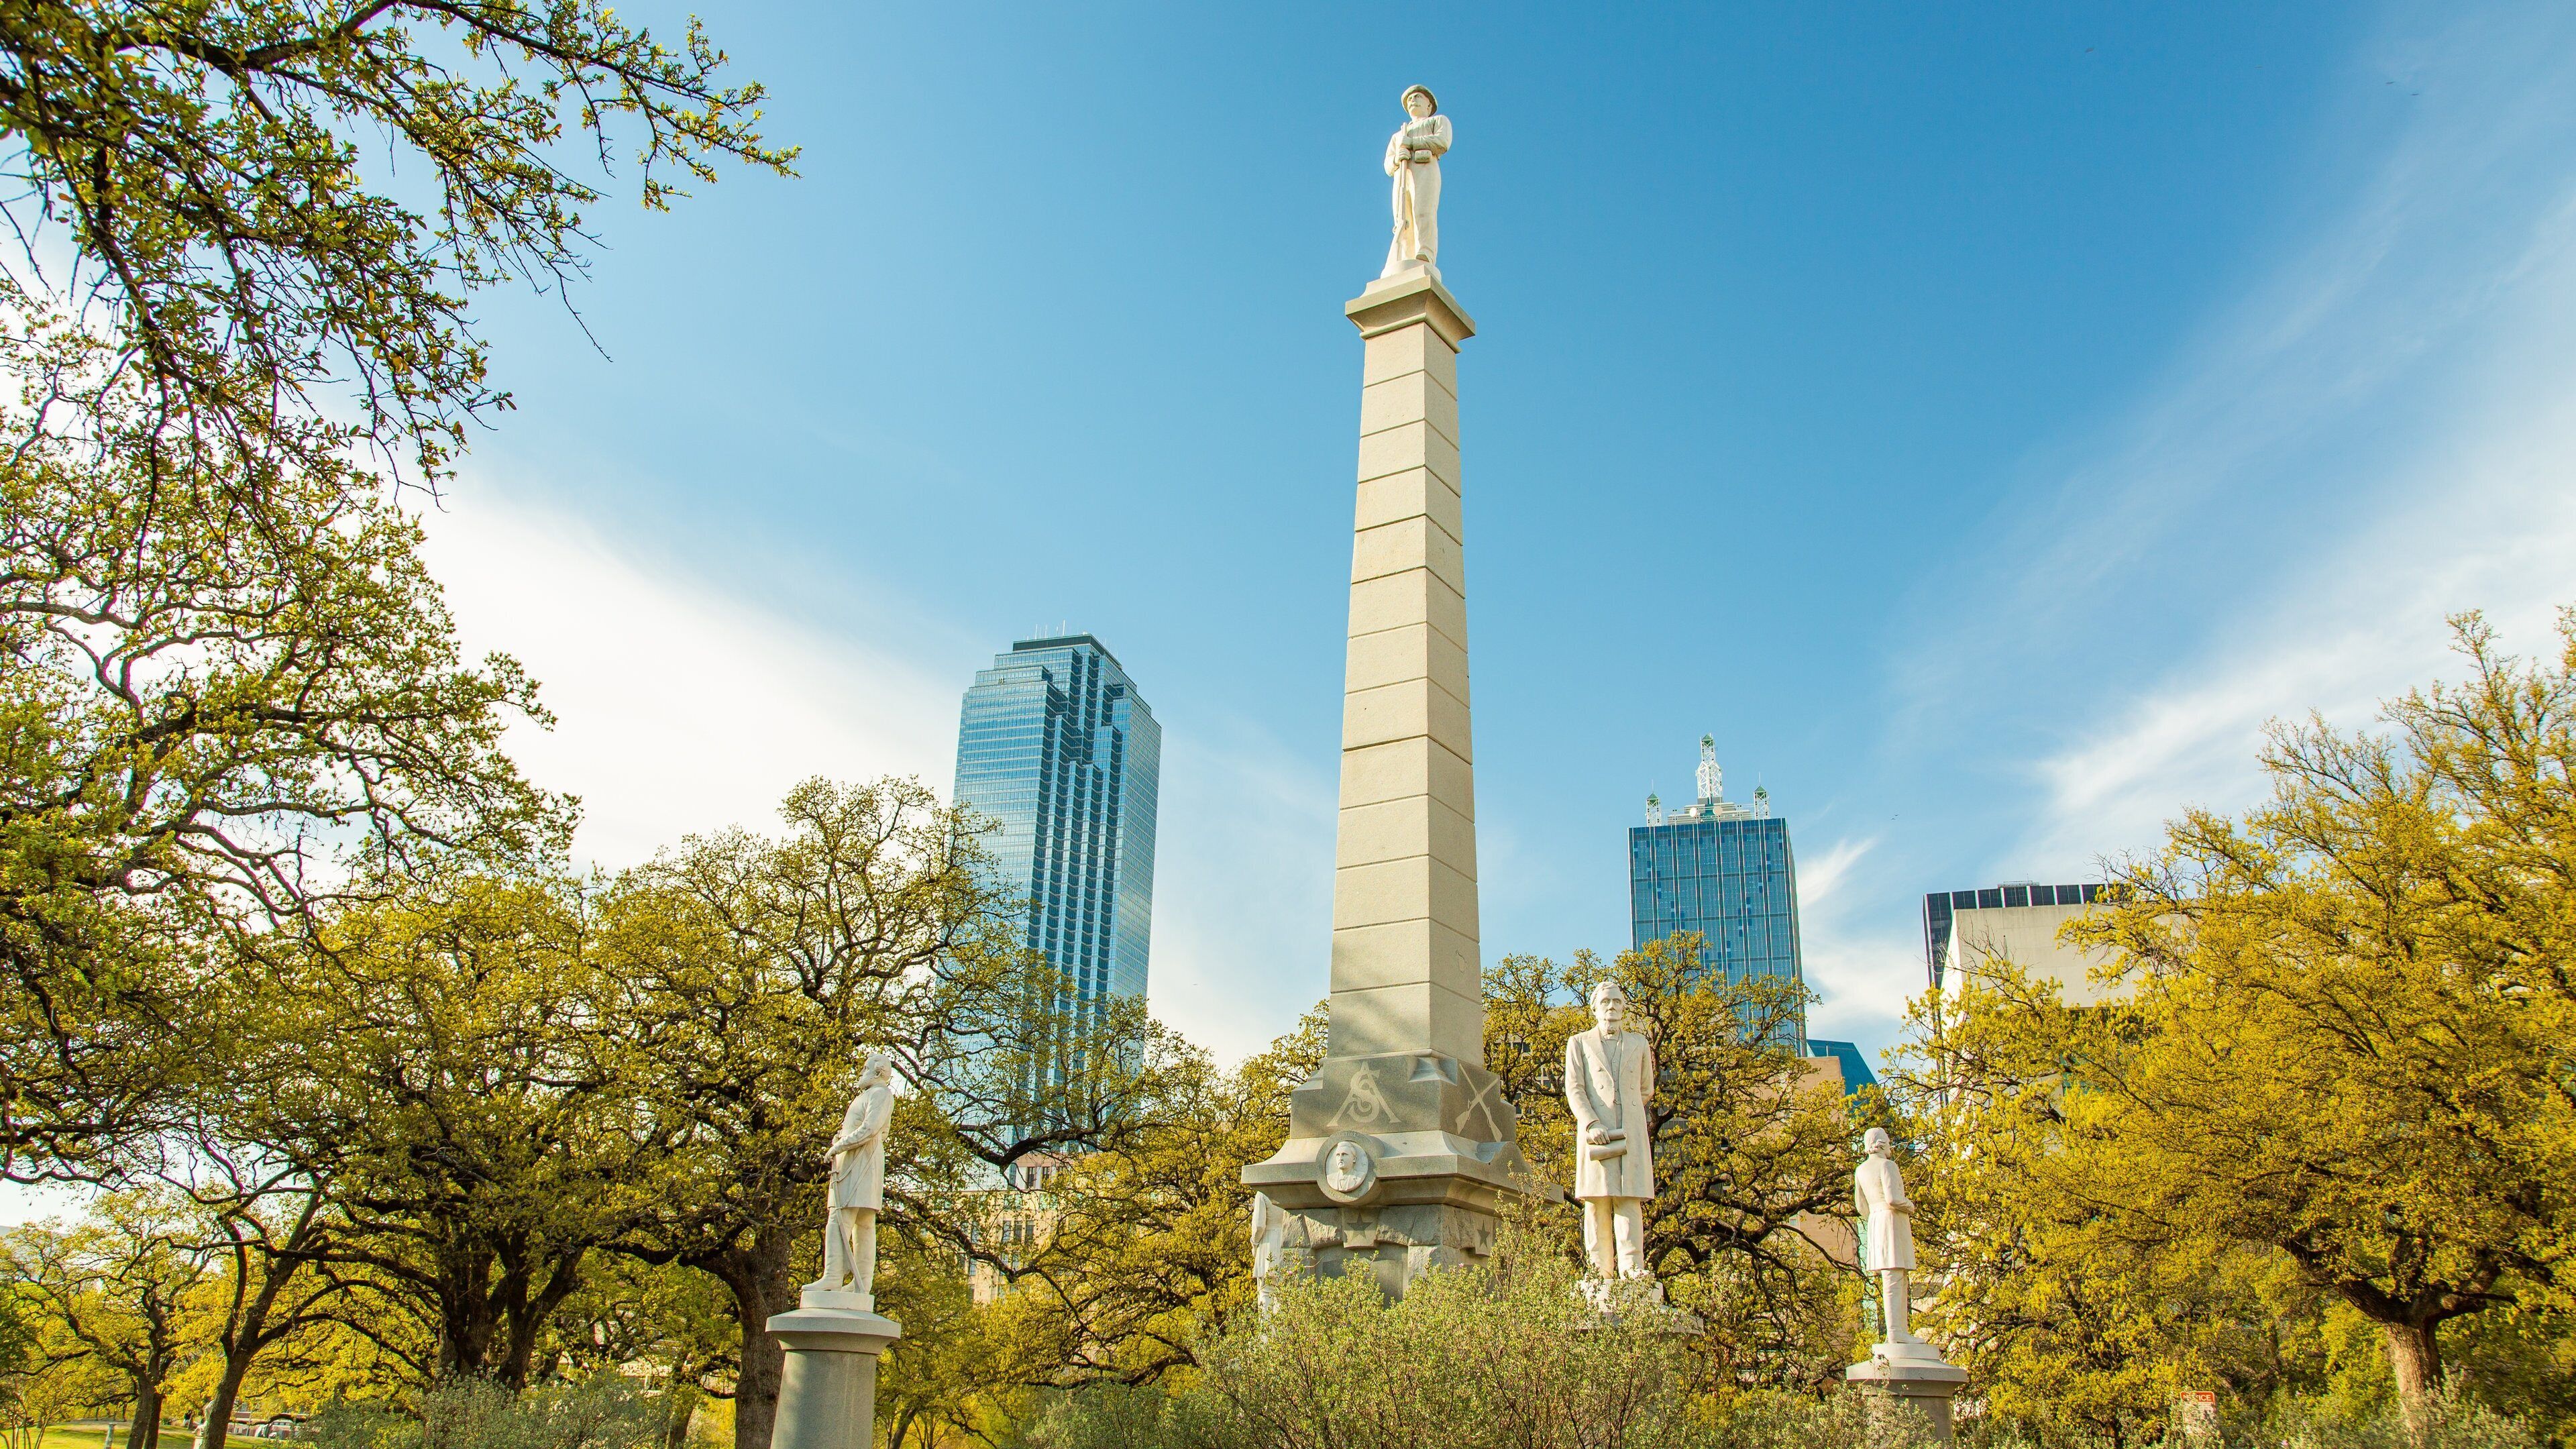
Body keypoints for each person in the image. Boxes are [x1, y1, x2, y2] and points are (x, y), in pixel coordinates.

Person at [1563, 979, 1656, 1279]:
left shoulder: (1640, 1044)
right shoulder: (1579, 1043)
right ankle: (1598, 1269)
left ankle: (1632, 1267)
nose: (1611, 1007)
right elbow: (1574, 1088)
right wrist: (1592, 1122)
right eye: (1605, 1002)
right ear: (1594, 1008)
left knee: (1629, 1200)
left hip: (1630, 1132)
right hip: (1596, 1133)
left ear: (1624, 1008)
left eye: (1617, 1001)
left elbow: (1645, 1089)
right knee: (1597, 1201)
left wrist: (1625, 1115)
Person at [807, 1051, 897, 1303]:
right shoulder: (870, 1095)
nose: (862, 1072)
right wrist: (841, 1138)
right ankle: (860, 1283)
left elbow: (871, 1129)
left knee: (842, 1219)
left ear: (878, 1072)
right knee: (861, 1223)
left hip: (861, 1160)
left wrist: (839, 1146)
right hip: (860, 1159)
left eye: (866, 1068)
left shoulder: (880, 1094)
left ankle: (834, 1276)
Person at [1854, 1126, 1921, 1342]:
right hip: (1891, 1220)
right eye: (1888, 1141)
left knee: (1892, 1278)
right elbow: (1893, 1198)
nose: (1890, 1145)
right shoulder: (1888, 1165)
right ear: (1881, 1144)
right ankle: (1896, 1332)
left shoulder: (1861, 1170)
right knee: (1896, 1278)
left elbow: (1861, 1206)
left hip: (1876, 1221)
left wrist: (1874, 1218)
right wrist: (1910, 1205)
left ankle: (1898, 1331)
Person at [1382, 85, 1452, 277]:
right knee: (1402, 219)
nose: (1413, 100)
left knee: (1423, 211)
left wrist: (1413, 143)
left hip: (1425, 168)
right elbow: (1387, 164)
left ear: (1429, 105)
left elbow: (1442, 142)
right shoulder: (1398, 135)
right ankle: (1404, 255)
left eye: (1418, 96)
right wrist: (1396, 159)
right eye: (1410, 98)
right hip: (1402, 175)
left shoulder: (1438, 121)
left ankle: (1425, 253)